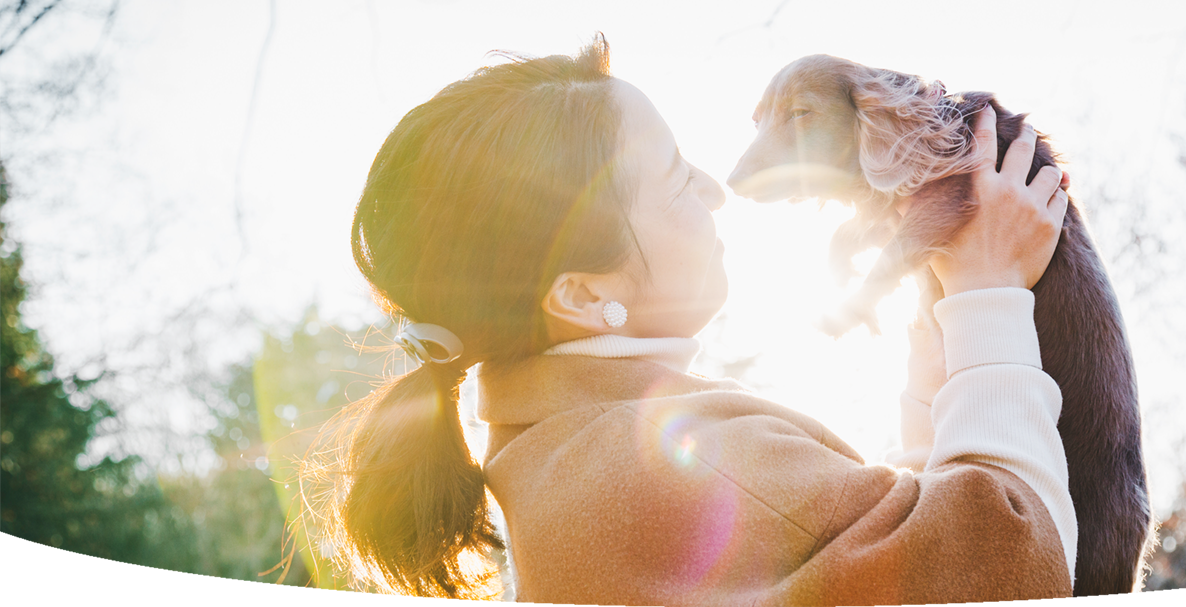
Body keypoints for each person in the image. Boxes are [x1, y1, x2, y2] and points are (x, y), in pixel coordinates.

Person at [314, 37, 1075, 606]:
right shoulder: (669, 462)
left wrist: (937, 360)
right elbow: (1008, 564)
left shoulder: (562, 463)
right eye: (677, 178)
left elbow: (888, 558)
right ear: (579, 293)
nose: (715, 188)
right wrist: (988, 292)